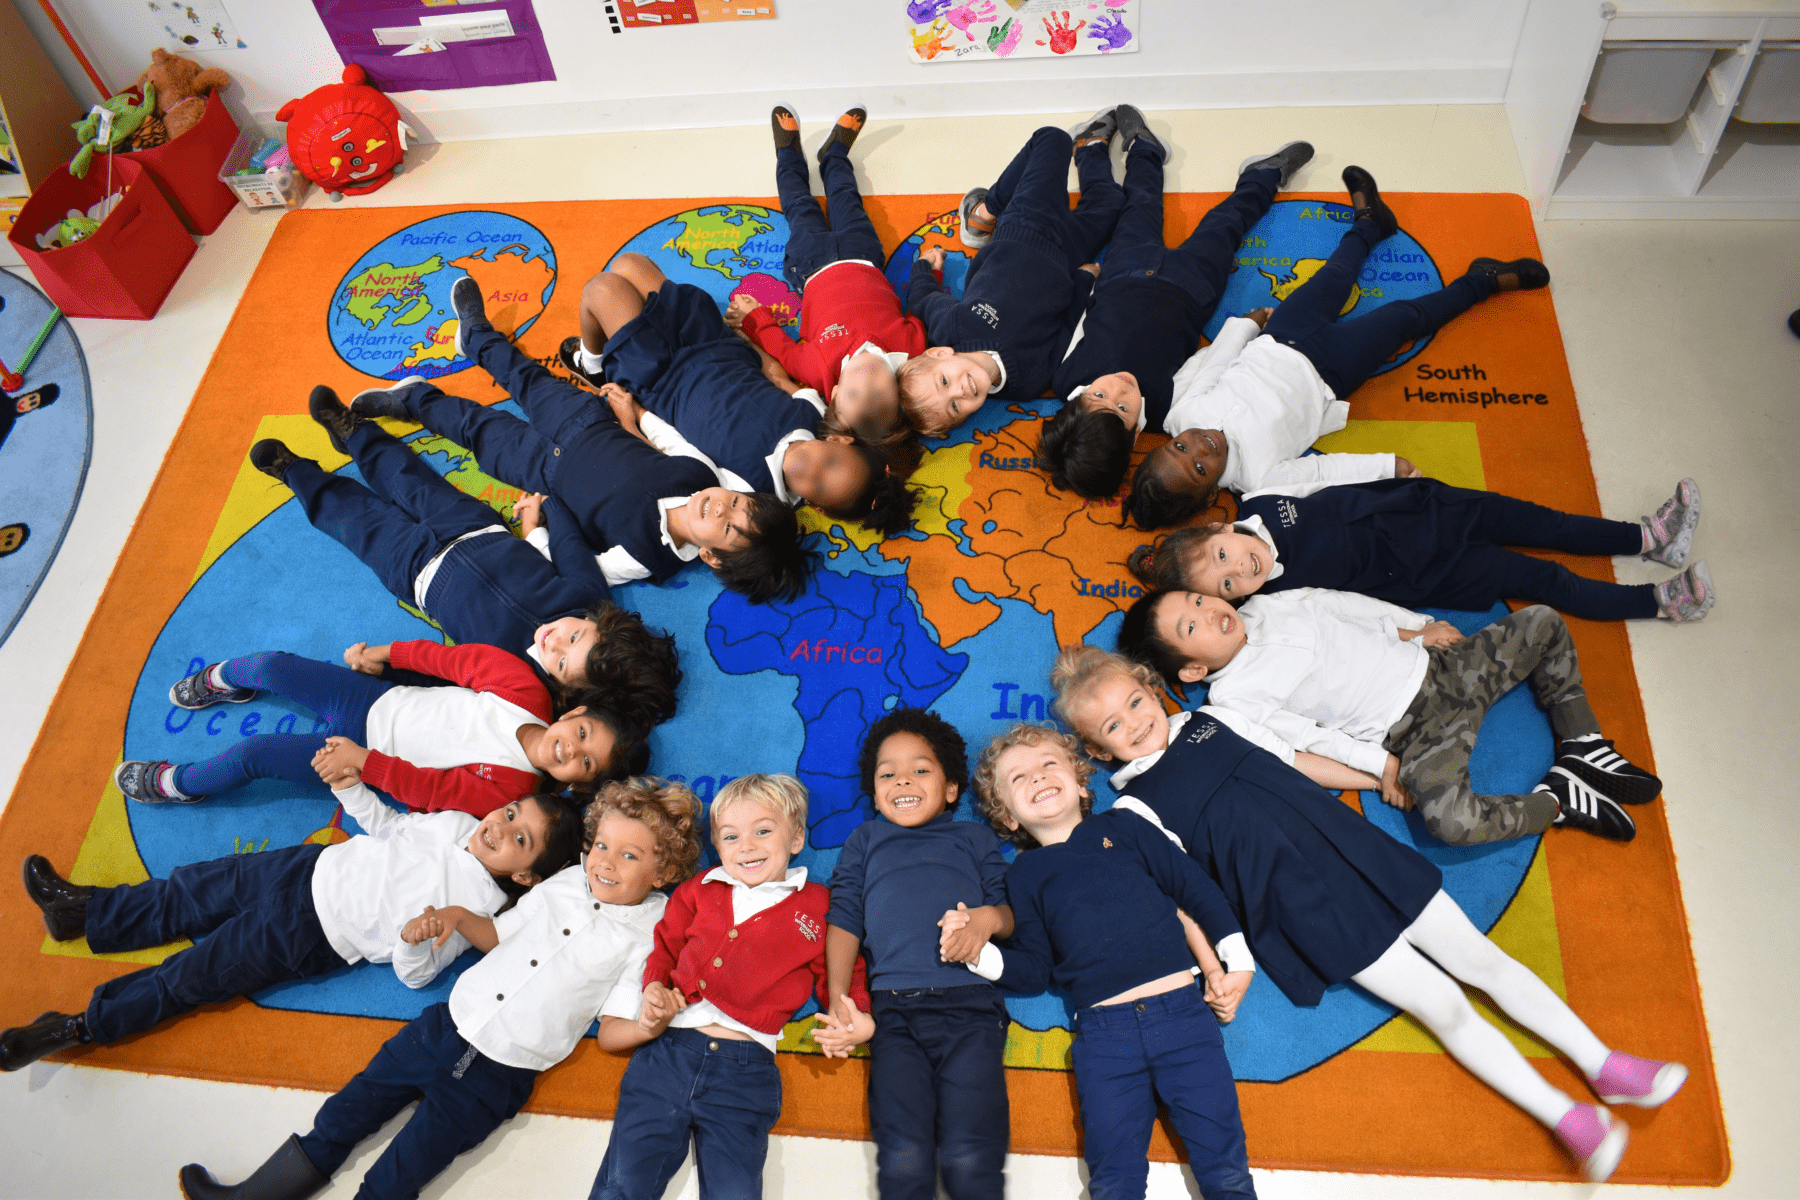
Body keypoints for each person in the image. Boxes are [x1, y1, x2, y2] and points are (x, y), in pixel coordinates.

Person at [1049, 645, 1689, 1184]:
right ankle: (1565, 1117)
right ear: (1099, 752)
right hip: (1307, 907)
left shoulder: (1218, 719)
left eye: (1133, 702)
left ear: (1153, 689)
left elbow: (1295, 758)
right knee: (1442, 1005)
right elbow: (1182, 892)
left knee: (1483, 960)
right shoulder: (1132, 810)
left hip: (1359, 853)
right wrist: (1215, 962)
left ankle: (1604, 1064)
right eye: (1110, 726)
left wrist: (1381, 772)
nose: (1131, 723)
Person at [175, 778, 702, 1200]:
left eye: (629, 856)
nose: (605, 862)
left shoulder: (648, 935)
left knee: (399, 1176)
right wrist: (455, 917)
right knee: (345, 1113)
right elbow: (497, 936)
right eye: (602, 846)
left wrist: (647, 1023)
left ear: (665, 872)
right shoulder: (565, 882)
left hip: (498, 1074)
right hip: (443, 1024)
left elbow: (611, 1031)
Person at [1, 781, 583, 1074]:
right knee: (192, 889)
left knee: (191, 976)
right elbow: (392, 828)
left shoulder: (474, 910)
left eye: (520, 839)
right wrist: (349, 787)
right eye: (510, 813)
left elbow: (415, 977)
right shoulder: (455, 823)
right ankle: (84, 913)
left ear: (527, 877)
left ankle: (79, 1026)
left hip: (310, 934)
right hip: (306, 867)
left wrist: (412, 940)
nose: (501, 828)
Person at [1123, 166, 1546, 530]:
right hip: (1331, 370)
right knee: (1405, 318)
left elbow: (1215, 364)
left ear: (1166, 441)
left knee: (1334, 275)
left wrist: (1245, 326)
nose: (1200, 447)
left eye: (1179, 448)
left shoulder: (1184, 415)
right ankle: (1482, 281)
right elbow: (1322, 470)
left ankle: (1370, 223)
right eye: (1199, 468)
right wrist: (1385, 466)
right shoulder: (1260, 478)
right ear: (1210, 493)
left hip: (1280, 337)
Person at [351, 278, 813, 604]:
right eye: (737, 503)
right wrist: (634, 414)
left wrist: (537, 530)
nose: (722, 508)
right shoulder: (701, 474)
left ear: (711, 556)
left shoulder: (647, 558)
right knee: (526, 378)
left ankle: (414, 400)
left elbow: (578, 570)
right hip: (587, 423)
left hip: (542, 471)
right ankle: (476, 338)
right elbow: (669, 441)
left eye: (729, 528)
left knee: (474, 427)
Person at [252, 385, 683, 712]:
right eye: (575, 636)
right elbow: (570, 544)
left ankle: (295, 474)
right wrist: (547, 508)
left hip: (416, 573)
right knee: (405, 475)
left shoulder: (518, 677)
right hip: (472, 526)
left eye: (563, 663)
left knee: (352, 519)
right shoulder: (589, 597)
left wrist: (386, 667)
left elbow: (446, 670)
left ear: (566, 688)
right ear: (601, 623)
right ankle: (355, 432)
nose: (555, 643)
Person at [1118, 587, 1659, 846]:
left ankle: (1583, 743)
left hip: (1443, 667)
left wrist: (1416, 626)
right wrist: (1382, 768)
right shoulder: (1235, 700)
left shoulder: (1270, 606)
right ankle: (1558, 802)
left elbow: (1347, 607)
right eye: (1192, 628)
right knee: (1450, 822)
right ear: (1190, 671)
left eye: (1196, 600)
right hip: (1417, 733)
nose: (1208, 612)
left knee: (1541, 621)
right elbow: (1303, 746)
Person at [969, 722, 1258, 1200]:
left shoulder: (1125, 827)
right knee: (1113, 1182)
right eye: (1018, 779)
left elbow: (1195, 888)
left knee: (1226, 1170)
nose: (1037, 777)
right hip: (1104, 1041)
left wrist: (1235, 959)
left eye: (1048, 764)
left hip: (1184, 1020)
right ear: (1009, 818)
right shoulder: (1025, 875)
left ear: (1082, 782)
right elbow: (1035, 969)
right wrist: (981, 956)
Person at [591, 773, 869, 1200]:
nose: (748, 846)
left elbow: (844, 970)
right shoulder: (698, 890)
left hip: (746, 1068)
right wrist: (653, 989)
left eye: (763, 831)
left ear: (796, 838)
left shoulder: (816, 905)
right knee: (623, 1184)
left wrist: (855, 1017)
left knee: (735, 1192)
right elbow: (665, 946)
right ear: (717, 848)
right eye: (731, 836)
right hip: (668, 1054)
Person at [1039, 122, 1313, 498]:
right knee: (1225, 225)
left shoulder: (1067, 377)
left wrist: (1086, 280)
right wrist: (1244, 329)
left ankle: (1145, 150)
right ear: (1136, 434)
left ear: (1077, 400)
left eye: (1100, 396)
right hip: (1191, 288)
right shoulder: (1169, 410)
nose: (1118, 388)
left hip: (1124, 272)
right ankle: (1263, 176)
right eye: (1123, 407)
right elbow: (1207, 365)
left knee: (1141, 206)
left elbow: (1075, 322)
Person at [559, 249, 916, 537]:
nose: (813, 470)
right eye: (831, 463)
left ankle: (592, 364)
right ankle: (615, 340)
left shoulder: (751, 490)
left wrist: (633, 418)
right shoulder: (815, 416)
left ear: (815, 506)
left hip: (659, 376)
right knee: (629, 263)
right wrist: (742, 339)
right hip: (710, 344)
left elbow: (676, 455)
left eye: (819, 487)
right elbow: (775, 374)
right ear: (840, 442)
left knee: (604, 288)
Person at [813, 708, 1013, 1200]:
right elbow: (844, 918)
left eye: (921, 769)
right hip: (894, 1015)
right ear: (875, 791)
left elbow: (1007, 912)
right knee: (903, 1157)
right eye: (888, 774)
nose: (903, 779)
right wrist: (840, 997)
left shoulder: (973, 837)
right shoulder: (864, 841)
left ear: (950, 789)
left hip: (971, 1007)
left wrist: (986, 920)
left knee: (971, 1155)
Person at [111, 638, 640, 813]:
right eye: (584, 735)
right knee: (271, 665)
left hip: (360, 755)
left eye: (585, 763)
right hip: (373, 697)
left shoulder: (513, 787)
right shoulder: (525, 690)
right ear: (573, 715)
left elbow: (431, 790)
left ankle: (177, 785)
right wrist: (382, 654)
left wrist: (361, 763)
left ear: (577, 783)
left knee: (252, 754)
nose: (571, 750)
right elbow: (446, 661)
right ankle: (226, 680)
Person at [1127, 477, 1713, 624]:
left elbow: (1328, 478)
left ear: (1220, 531)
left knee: (1545, 522)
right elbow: (1351, 614)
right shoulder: (1277, 595)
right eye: (1227, 587)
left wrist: (1388, 469)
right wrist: (1413, 627)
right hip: (1432, 567)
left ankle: (1647, 538)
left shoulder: (1265, 499)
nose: (1240, 572)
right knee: (1546, 580)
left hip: (1427, 508)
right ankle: (1660, 601)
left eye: (1224, 559)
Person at [898, 110, 1127, 433]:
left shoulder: (952, 329)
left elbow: (923, 301)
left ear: (939, 353)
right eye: (954, 407)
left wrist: (924, 267)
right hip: (1067, 257)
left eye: (945, 381)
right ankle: (1089, 145)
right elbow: (1064, 332)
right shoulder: (1027, 382)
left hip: (1024, 226)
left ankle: (983, 212)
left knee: (1052, 139)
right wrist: (1083, 279)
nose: (960, 391)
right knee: (1112, 202)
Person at [724, 105, 925, 453]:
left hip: (812, 264)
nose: (866, 379)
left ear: (832, 394)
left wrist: (752, 317)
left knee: (800, 205)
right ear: (899, 389)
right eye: (878, 391)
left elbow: (779, 346)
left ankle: (787, 153)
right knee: (846, 199)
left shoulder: (818, 370)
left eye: (852, 393)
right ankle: (834, 154)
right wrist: (930, 271)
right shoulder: (910, 350)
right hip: (862, 255)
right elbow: (922, 301)